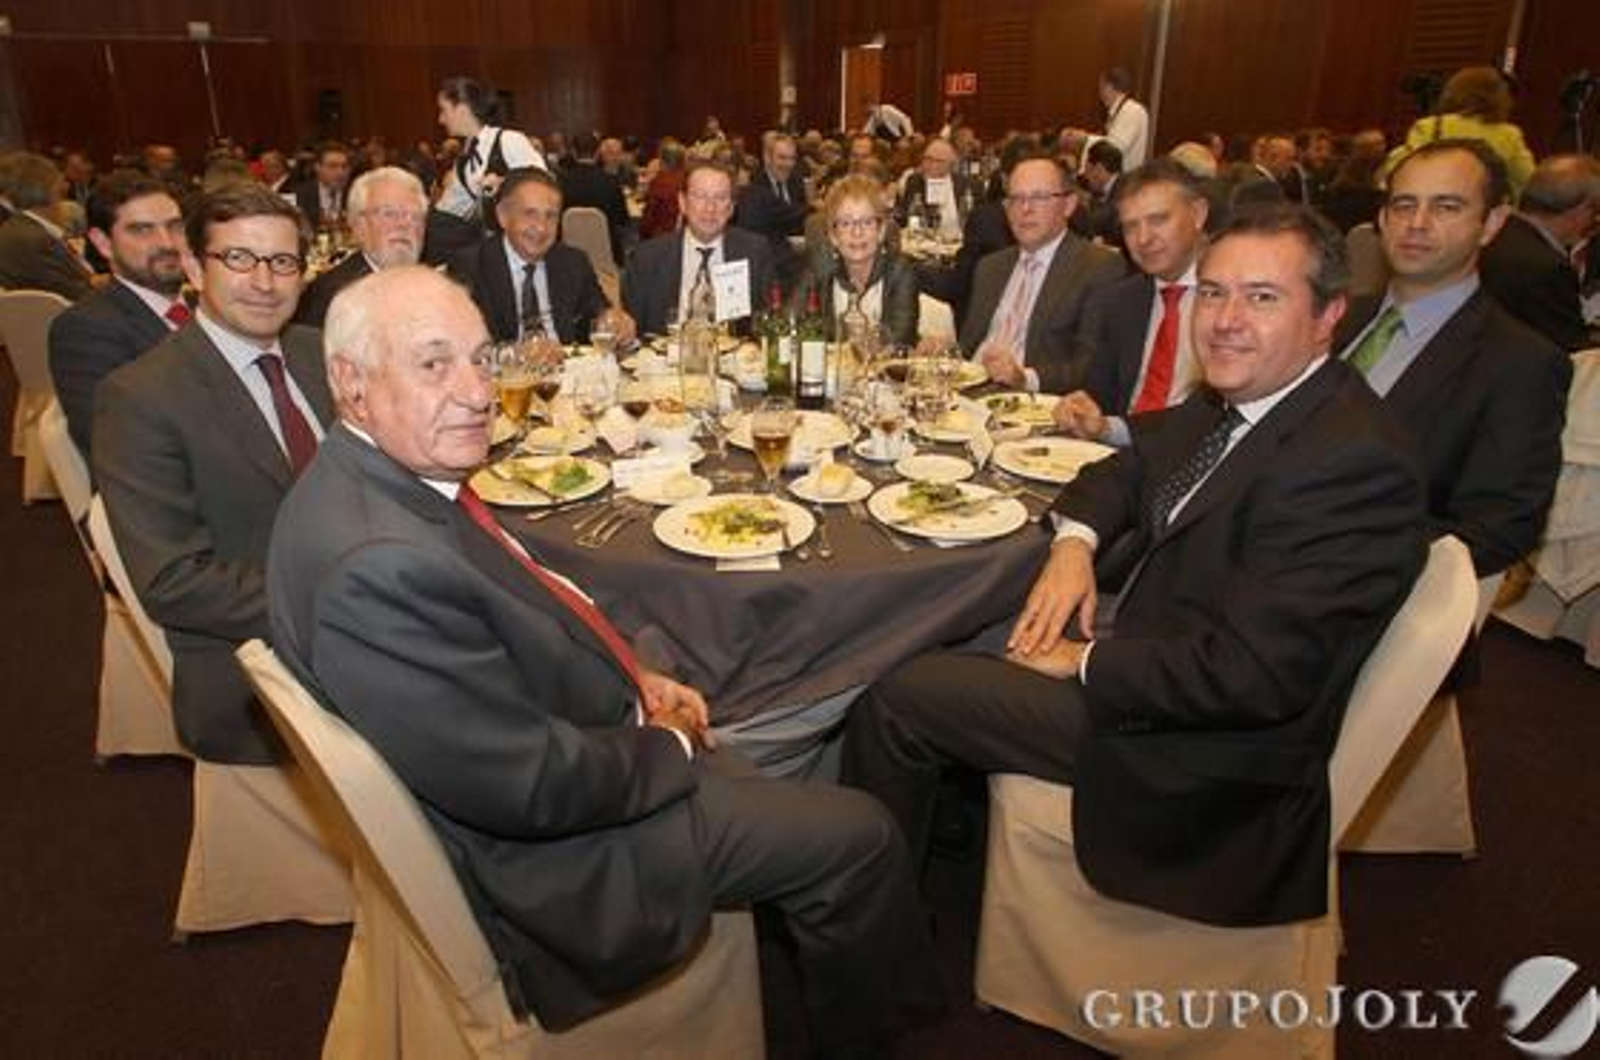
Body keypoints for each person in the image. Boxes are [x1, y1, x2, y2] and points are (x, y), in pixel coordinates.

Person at [266, 263, 943, 1051]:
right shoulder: (378, 565)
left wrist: (637, 675)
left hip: (550, 750)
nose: (480, 392)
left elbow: (518, 606)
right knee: (860, 835)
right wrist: (667, 744)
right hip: (556, 865)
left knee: (751, 744)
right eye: (432, 362)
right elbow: (529, 785)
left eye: (482, 358)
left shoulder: (370, 483)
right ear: (349, 381)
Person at [844, 202, 1427, 928]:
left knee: (897, 690)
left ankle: (875, 921)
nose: (1225, 320)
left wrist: (1083, 662)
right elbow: (1120, 467)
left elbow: (1254, 676)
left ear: (1328, 314)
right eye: (1213, 293)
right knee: (944, 621)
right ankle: (945, 815)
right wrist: (1072, 546)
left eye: (1263, 297)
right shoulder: (1247, 401)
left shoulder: (1350, 464)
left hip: (1191, 748)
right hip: (1155, 640)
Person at [93, 182, 333, 764]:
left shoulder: (315, 350)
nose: (264, 281)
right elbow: (175, 581)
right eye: (238, 259)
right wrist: (344, 599)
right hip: (259, 667)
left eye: (282, 261)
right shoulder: (141, 397)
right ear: (196, 270)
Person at [1334, 138, 1572, 577]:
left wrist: (1334, 549)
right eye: (1404, 204)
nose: (1417, 224)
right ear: (1383, 218)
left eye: (1446, 207)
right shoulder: (1336, 319)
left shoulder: (1520, 363)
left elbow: (1500, 529)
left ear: (1491, 223)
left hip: (1365, 590)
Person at [1057, 160, 1210, 446]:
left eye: (1158, 220)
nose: (1143, 238)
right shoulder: (1120, 301)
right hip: (1116, 459)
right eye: (1130, 227)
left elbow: (1215, 420)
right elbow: (1096, 398)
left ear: (1198, 213)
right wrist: (1079, 409)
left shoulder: (1233, 301)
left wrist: (1112, 430)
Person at [48, 171, 189, 461]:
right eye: (142, 230)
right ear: (103, 243)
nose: (167, 243)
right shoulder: (85, 330)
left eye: (175, 226)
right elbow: (118, 444)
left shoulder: (208, 306)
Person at [958, 154, 1123, 393]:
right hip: (967, 398)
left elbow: (1090, 366)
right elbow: (969, 348)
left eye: (1039, 197)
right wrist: (945, 355)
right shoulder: (991, 267)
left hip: (1030, 407)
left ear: (1068, 205)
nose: (1025, 209)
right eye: (1016, 199)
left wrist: (1024, 378)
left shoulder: (1098, 268)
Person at [449, 167, 634, 346]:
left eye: (551, 216)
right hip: (508, 375)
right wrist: (519, 356)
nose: (541, 227)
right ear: (502, 216)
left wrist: (614, 323)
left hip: (565, 373)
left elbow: (598, 316)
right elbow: (465, 344)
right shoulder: (472, 266)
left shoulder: (573, 262)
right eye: (530, 214)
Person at [622, 159, 774, 336]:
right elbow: (633, 332)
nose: (710, 208)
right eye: (700, 196)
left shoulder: (755, 252)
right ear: (683, 203)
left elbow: (766, 324)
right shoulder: (647, 257)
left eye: (720, 198)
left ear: (732, 208)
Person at [1480, 153, 1599, 351]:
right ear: (1580, 211)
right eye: (1595, 213)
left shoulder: (1499, 233)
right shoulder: (1546, 267)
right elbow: (1573, 350)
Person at [791, 175, 919, 345]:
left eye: (866, 222)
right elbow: (791, 322)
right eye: (845, 223)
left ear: (881, 231)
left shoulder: (900, 270)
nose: (857, 233)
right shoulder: (819, 264)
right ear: (833, 235)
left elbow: (901, 339)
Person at [295, 166, 428, 328]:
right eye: (389, 213)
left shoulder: (434, 288)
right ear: (358, 225)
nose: (403, 224)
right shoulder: (334, 297)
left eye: (414, 215)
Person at [1389, 65, 1537, 198]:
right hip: (1486, 213)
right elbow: (1528, 180)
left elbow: (1401, 169)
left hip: (1437, 203)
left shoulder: (1429, 126)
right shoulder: (1509, 133)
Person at [434, 76, 546, 229]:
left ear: (461, 109)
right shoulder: (463, 163)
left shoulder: (509, 140)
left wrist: (505, 183)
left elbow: (545, 185)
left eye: (443, 110)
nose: (441, 119)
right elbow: (448, 211)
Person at [0, 151, 94, 300]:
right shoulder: (35, 240)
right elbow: (80, 295)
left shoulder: (17, 228)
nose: (65, 184)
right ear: (49, 188)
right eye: (59, 179)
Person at [734, 132, 809, 265]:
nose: (788, 164)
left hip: (799, 255)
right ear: (767, 158)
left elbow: (802, 215)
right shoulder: (754, 185)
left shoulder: (796, 181)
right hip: (767, 259)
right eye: (782, 158)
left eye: (792, 158)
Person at [557, 131, 630, 265]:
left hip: (569, 255)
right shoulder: (611, 182)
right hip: (608, 255)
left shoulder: (561, 183)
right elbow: (622, 220)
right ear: (598, 153)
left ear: (573, 153)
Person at [896, 137, 975, 239]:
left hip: (961, 241)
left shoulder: (970, 185)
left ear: (951, 164)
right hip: (925, 242)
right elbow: (907, 219)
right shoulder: (915, 182)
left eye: (939, 161)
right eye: (928, 159)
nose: (932, 165)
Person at [293, 141, 352, 230]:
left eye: (344, 166)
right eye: (333, 166)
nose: (340, 173)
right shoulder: (300, 195)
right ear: (317, 167)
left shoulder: (354, 192)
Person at [1098, 67, 1150, 169]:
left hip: (1126, 179)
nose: (1099, 93)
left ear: (1109, 87)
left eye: (1100, 87)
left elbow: (1114, 151)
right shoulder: (1121, 110)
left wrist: (1085, 139)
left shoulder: (1132, 111)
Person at [639, 137, 686, 240]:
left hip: (661, 239)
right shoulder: (689, 180)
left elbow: (648, 220)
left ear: (662, 160)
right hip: (685, 239)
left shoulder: (659, 182)